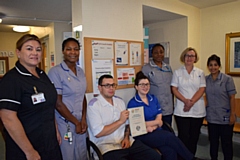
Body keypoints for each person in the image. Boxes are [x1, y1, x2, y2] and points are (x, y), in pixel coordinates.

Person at [0, 34, 62, 160]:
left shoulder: (42, 74)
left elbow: (49, 105)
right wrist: (29, 151)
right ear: (18, 52)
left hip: (49, 143)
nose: (34, 53)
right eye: (29, 49)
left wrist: (55, 130)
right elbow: (8, 118)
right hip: (26, 148)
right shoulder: (12, 79)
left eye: (38, 49)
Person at [87, 74, 161, 160]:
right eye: (107, 85)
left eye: (113, 85)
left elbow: (127, 124)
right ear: (100, 88)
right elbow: (98, 133)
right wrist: (119, 121)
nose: (111, 88)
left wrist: (126, 137)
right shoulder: (94, 105)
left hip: (125, 141)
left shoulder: (120, 101)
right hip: (106, 145)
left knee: (154, 156)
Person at [127, 71, 195, 160]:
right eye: (142, 84)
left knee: (170, 150)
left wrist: (153, 126)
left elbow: (159, 118)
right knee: (169, 136)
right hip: (142, 134)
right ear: (136, 87)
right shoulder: (133, 103)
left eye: (147, 84)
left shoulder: (153, 98)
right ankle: (191, 158)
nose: (145, 87)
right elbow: (137, 125)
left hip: (155, 130)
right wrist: (155, 123)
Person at [48, 38, 87, 160]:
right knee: (68, 155)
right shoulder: (55, 72)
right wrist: (76, 122)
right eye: (69, 49)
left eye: (76, 49)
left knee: (81, 154)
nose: (73, 52)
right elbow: (57, 103)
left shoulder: (80, 72)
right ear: (63, 51)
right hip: (65, 123)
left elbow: (82, 96)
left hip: (80, 121)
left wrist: (84, 119)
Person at [171, 47, 206, 155]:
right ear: (183, 57)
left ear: (195, 58)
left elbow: (202, 89)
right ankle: (182, 157)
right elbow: (174, 89)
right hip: (182, 110)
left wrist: (191, 102)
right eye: (187, 55)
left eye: (192, 56)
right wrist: (186, 101)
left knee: (194, 137)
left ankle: (191, 156)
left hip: (197, 110)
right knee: (183, 136)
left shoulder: (200, 72)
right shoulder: (177, 72)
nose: (189, 58)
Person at [205, 54, 236, 160]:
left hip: (225, 117)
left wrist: (232, 114)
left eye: (215, 65)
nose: (213, 67)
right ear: (208, 66)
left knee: (226, 144)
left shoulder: (227, 79)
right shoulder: (205, 80)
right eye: (210, 65)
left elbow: (232, 98)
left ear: (219, 66)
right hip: (211, 117)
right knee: (213, 144)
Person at [142, 44, 173, 125]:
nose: (159, 54)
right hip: (155, 105)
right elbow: (142, 87)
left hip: (168, 106)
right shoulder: (146, 68)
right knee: (156, 130)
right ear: (152, 54)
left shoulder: (168, 68)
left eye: (161, 52)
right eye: (156, 52)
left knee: (167, 130)